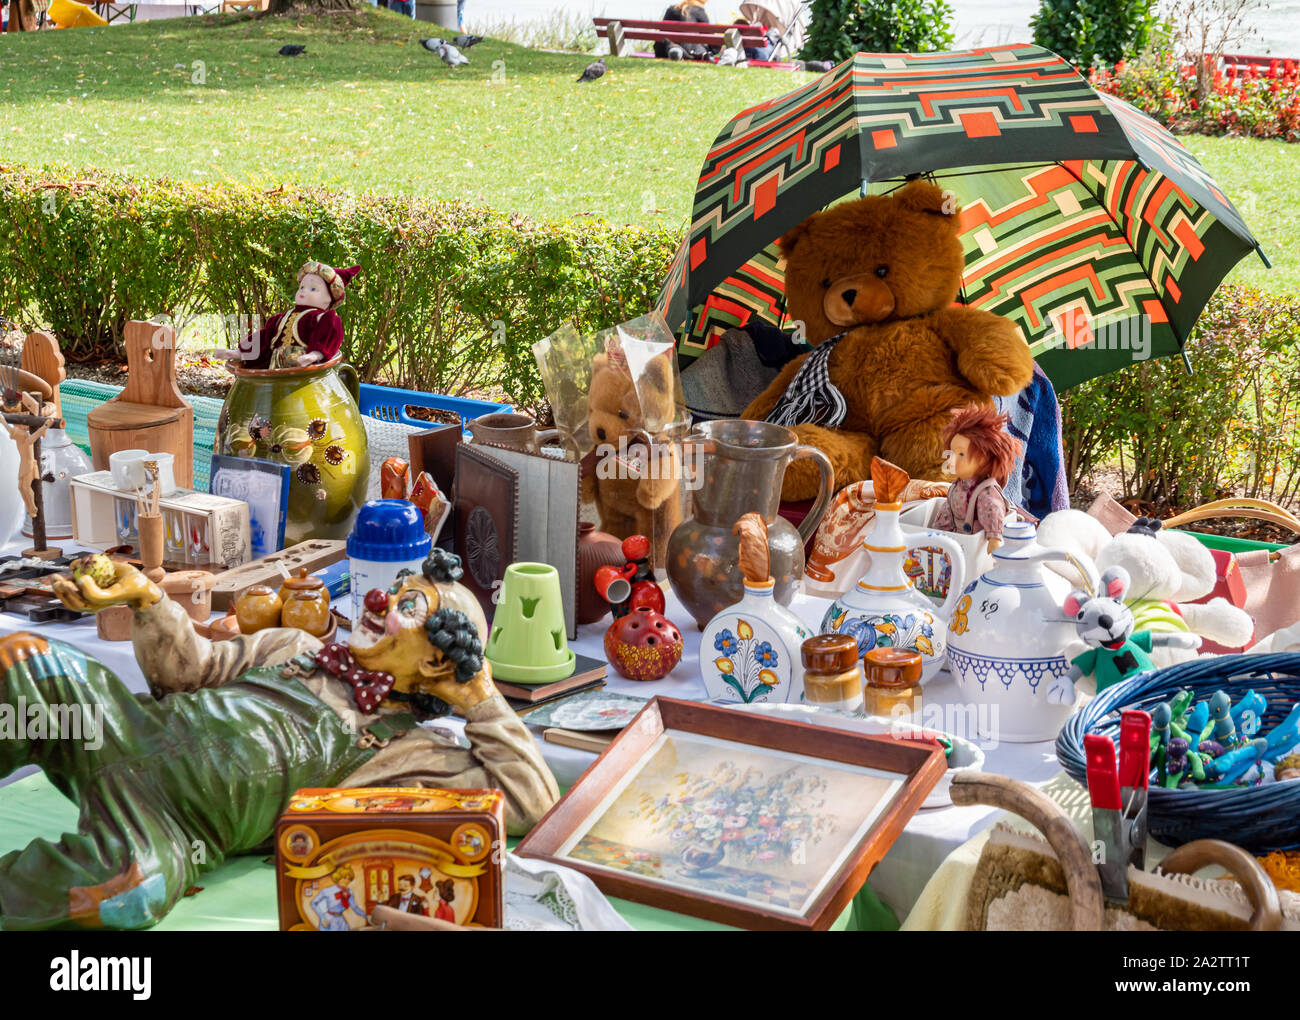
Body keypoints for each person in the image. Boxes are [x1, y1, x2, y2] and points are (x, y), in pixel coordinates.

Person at [0, 552, 560, 930]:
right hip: (120, 726)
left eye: (408, 606)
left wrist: (479, 695)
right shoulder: (294, 645)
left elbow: (534, 800)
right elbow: (188, 671)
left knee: (125, 891)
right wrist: (147, 599)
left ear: (438, 662)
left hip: (171, 828)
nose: (381, 602)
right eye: (395, 590)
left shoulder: (412, 755)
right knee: (23, 658)